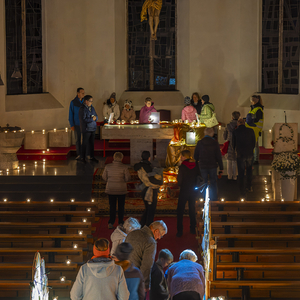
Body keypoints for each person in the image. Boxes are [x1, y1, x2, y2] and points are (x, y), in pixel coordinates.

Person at [125, 220, 168, 293]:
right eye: (161, 235)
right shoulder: (151, 242)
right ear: (156, 231)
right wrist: (145, 285)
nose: (160, 238)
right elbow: (146, 266)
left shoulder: (132, 233)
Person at [102, 152, 131, 229]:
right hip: (121, 189)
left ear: (113, 158)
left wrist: (110, 181)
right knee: (121, 206)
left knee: (112, 206)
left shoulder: (108, 166)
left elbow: (104, 177)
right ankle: (121, 222)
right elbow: (127, 178)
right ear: (122, 158)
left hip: (111, 189)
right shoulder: (124, 167)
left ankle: (111, 222)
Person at [134, 151, 163, 227]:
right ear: (149, 158)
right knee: (151, 210)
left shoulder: (138, 166)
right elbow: (153, 180)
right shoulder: (150, 167)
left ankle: (142, 224)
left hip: (143, 189)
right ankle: (148, 227)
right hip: (152, 190)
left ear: (141, 157)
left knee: (147, 209)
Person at [194, 127, 223, 201]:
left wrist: (196, 164)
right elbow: (218, 156)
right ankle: (214, 199)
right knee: (213, 182)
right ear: (212, 133)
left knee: (203, 182)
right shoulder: (215, 143)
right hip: (212, 165)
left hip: (202, 165)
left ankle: (203, 198)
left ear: (204, 133)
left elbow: (195, 155)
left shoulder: (200, 142)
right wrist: (221, 167)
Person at [176, 150, 199, 237]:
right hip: (193, 190)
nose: (181, 158)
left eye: (181, 156)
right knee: (192, 210)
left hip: (184, 190)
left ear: (184, 157)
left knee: (180, 210)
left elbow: (180, 180)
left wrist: (180, 185)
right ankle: (192, 228)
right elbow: (198, 176)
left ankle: (180, 231)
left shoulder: (182, 167)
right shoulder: (195, 165)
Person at [232, 118, 256, 196]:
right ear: (244, 123)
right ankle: (249, 186)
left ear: (238, 124)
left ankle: (241, 189)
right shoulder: (250, 131)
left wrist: (236, 150)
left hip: (240, 154)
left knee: (241, 172)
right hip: (249, 154)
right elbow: (254, 143)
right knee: (249, 171)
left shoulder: (235, 132)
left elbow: (233, 144)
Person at [79, 95, 99, 163]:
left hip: (93, 128)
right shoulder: (82, 109)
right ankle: (83, 158)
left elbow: (96, 116)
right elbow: (83, 119)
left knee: (92, 143)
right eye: (90, 101)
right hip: (86, 129)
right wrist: (92, 119)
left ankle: (91, 157)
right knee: (84, 143)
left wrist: (96, 118)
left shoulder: (92, 108)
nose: (91, 102)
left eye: (92, 101)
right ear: (86, 101)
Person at [245, 95, 264, 164]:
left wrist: (248, 120)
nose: (251, 102)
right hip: (251, 128)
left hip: (255, 128)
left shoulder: (258, 109)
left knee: (254, 144)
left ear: (256, 100)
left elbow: (256, 119)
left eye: (252, 100)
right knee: (254, 144)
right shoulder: (253, 108)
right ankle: (253, 158)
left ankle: (255, 159)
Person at [223, 111, 240, 180]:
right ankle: (235, 176)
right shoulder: (240, 126)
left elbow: (224, 137)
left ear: (232, 117)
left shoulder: (228, 125)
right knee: (235, 161)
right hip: (238, 145)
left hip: (229, 144)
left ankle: (229, 176)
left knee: (229, 161)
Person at [68, 87, 85, 160]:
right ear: (78, 93)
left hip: (85, 124)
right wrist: (72, 124)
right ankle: (79, 154)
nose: (84, 94)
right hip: (77, 124)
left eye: (84, 93)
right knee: (78, 140)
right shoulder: (73, 102)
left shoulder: (86, 102)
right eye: (82, 93)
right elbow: (70, 114)